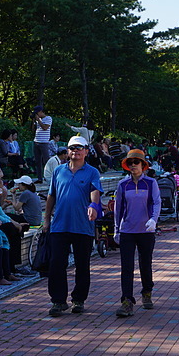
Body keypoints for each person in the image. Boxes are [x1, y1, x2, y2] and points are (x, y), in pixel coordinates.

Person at [44, 136, 103, 317]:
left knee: (82, 264)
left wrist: (93, 206)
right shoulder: (59, 171)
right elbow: (51, 195)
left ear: (86, 151)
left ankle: (79, 299)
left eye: (79, 148)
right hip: (60, 225)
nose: (75, 151)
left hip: (83, 225)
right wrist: (46, 219)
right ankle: (58, 301)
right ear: (67, 151)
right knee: (56, 264)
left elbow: (95, 190)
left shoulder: (92, 171)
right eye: (72, 148)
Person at [114, 149, 160, 317]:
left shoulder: (150, 183)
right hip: (127, 230)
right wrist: (116, 229)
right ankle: (126, 300)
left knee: (145, 263)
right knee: (126, 266)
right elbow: (118, 208)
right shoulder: (122, 185)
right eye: (130, 163)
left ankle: (147, 291)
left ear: (143, 165)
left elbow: (156, 203)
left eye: (136, 162)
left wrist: (153, 219)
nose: (133, 165)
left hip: (146, 230)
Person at [32, 106, 53, 183]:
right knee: (37, 161)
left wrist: (39, 120)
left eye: (37, 113)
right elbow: (33, 130)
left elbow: (45, 128)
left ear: (41, 112)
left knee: (46, 160)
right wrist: (34, 121)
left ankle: (48, 176)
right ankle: (39, 178)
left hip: (44, 142)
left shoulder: (48, 118)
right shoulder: (38, 120)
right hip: (36, 141)